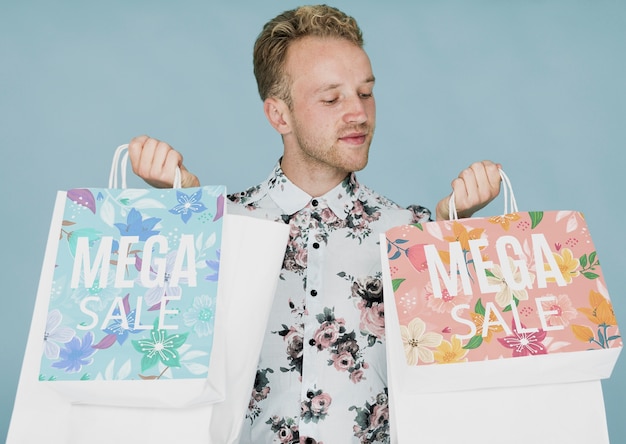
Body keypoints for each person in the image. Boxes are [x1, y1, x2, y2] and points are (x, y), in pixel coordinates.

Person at [128, 5, 501, 443]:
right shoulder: (221, 229)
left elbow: (460, 390)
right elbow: (159, 371)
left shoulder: (412, 235)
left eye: (365, 92)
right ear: (278, 115)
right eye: (331, 98)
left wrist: (452, 238)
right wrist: (186, 216)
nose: (358, 113)